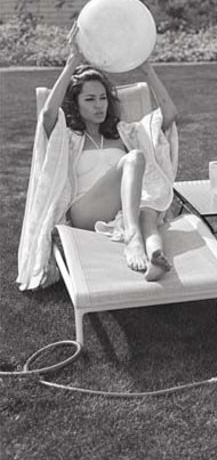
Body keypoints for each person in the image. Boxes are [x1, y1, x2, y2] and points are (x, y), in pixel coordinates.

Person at [17, 27, 179, 290]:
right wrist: (72, 63)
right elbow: (47, 115)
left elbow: (169, 115)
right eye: (90, 99)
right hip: (85, 212)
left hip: (123, 210)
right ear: (75, 103)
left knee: (148, 214)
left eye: (103, 98)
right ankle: (133, 238)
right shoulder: (68, 138)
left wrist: (148, 70)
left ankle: (155, 258)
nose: (99, 105)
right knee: (135, 159)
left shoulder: (126, 133)